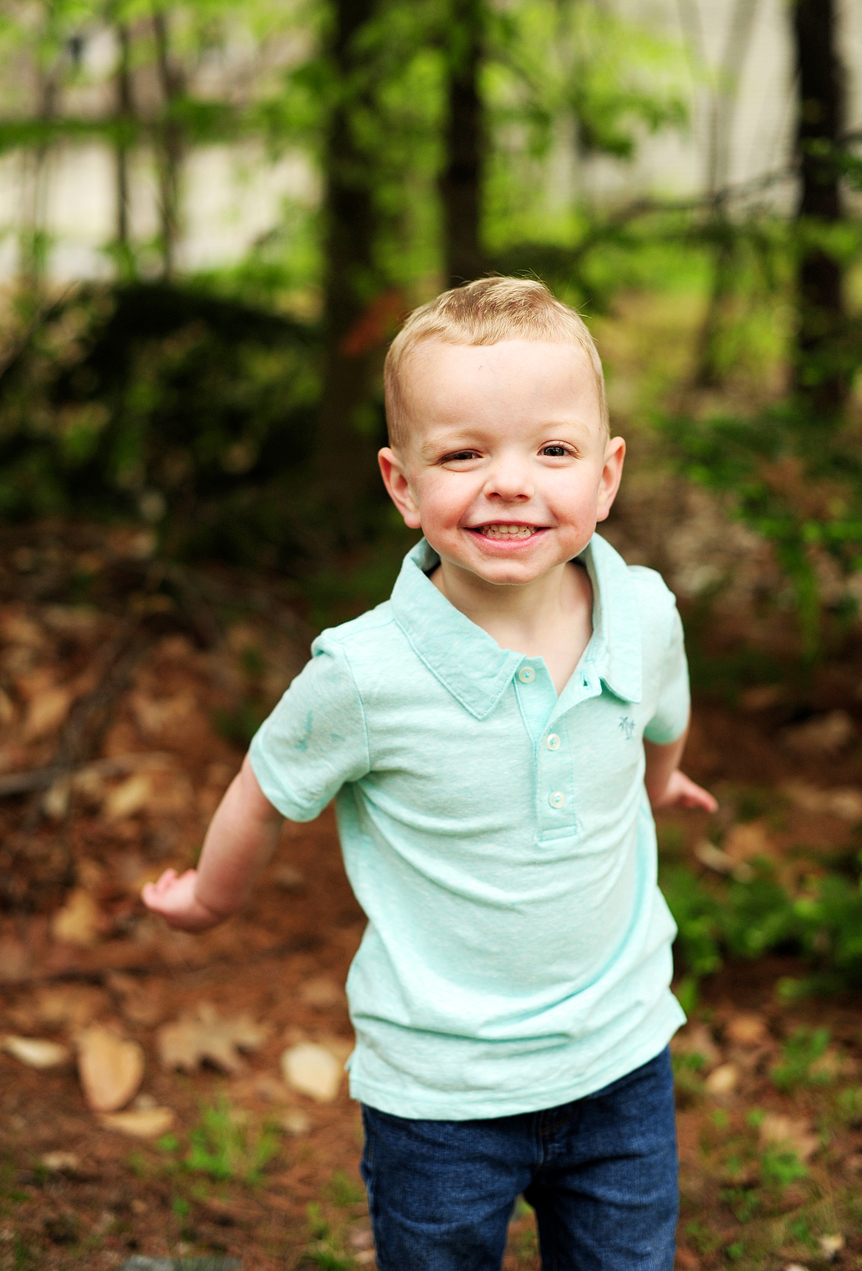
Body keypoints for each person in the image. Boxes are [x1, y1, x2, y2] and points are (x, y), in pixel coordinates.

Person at [143, 276, 717, 1271]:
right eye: (463, 453)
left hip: (620, 1053)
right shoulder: (365, 675)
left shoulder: (644, 613)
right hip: (442, 1089)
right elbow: (266, 784)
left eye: (552, 449)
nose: (508, 481)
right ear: (403, 484)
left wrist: (660, 779)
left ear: (606, 474)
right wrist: (209, 891)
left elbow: (663, 713)